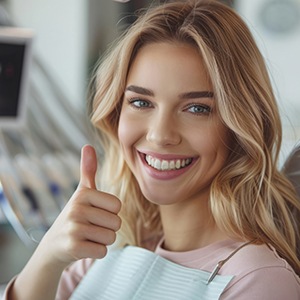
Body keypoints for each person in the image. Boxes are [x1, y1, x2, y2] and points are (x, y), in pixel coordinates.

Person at [3, 0, 300, 299]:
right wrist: (49, 254)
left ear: (240, 126)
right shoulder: (111, 248)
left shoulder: (258, 281)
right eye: (141, 102)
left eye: (196, 108)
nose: (160, 135)